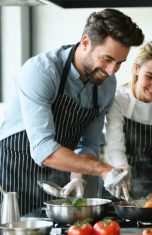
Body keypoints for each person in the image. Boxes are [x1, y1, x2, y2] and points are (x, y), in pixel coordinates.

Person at [0, 8, 144, 215]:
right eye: (107, 59)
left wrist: (77, 177)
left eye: (120, 63)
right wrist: (103, 170)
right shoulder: (41, 72)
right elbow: (43, 149)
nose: (112, 71)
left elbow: (87, 144)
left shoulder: (107, 85)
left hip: (58, 184)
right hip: (14, 177)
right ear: (85, 42)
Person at [104, 40, 152, 200]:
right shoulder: (118, 100)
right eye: (150, 76)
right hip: (116, 179)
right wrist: (122, 168)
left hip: (149, 183)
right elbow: (115, 146)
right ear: (136, 69)